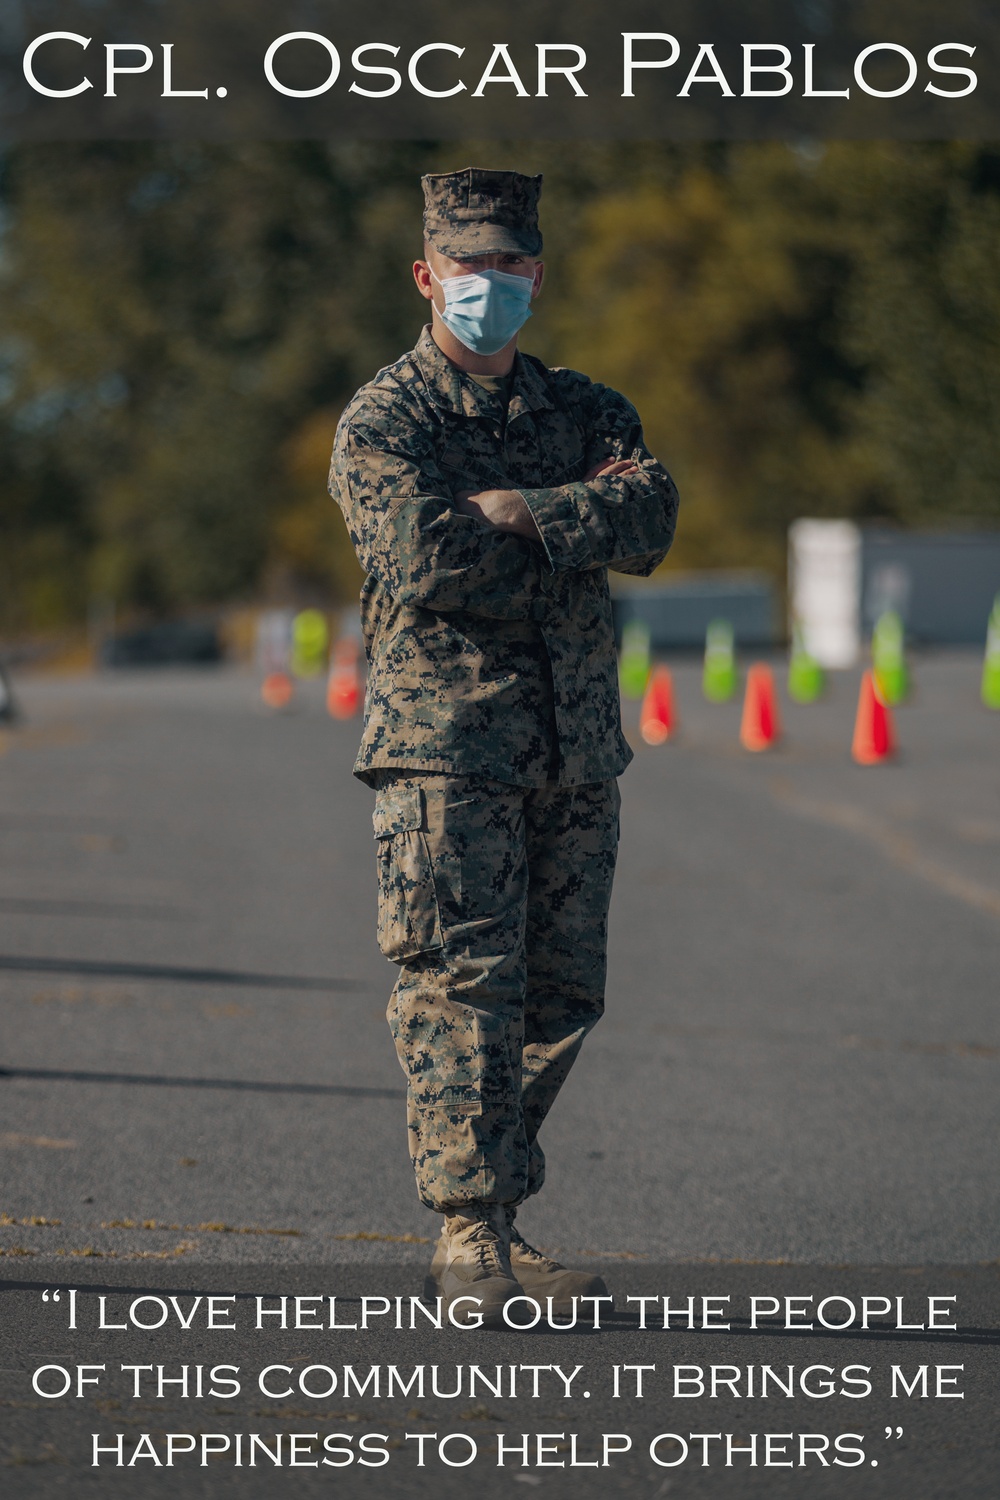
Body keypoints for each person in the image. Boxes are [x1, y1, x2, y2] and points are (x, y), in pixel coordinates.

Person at [330, 168, 678, 1323]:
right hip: (447, 749)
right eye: (470, 266)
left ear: (538, 271)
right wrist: (574, 515)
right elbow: (427, 561)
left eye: (511, 264)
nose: (492, 284)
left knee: (561, 993)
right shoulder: (388, 421)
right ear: (428, 276)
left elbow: (652, 517)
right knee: (461, 987)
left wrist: (521, 508)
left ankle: (497, 1219)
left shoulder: (587, 409)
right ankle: (468, 1235)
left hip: (575, 750)